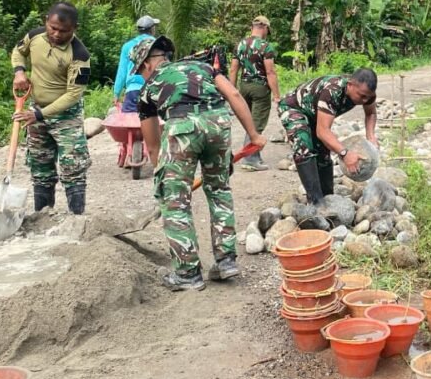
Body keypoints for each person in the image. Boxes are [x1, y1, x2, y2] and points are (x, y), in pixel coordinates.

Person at [133, 35, 266, 291]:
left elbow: (152, 146)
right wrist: (254, 135)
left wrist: (164, 179)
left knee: (176, 202)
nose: (141, 76)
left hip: (181, 129)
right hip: (218, 125)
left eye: (140, 71)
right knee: (219, 192)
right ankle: (226, 262)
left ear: (147, 64)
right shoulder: (204, 68)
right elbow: (234, 94)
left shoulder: (148, 90)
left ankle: (187, 274)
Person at [11, 2, 91, 214]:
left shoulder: (79, 55)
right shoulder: (35, 36)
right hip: (35, 110)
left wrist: (39, 114)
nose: (56, 34)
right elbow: (18, 52)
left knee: (73, 166)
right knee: (40, 164)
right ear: (46, 21)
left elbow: (74, 95)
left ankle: (76, 219)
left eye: (63, 31)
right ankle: (42, 217)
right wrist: (19, 72)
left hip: (66, 117)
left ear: (75, 28)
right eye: (52, 28)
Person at [277, 69, 378, 204]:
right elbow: (322, 131)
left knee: (323, 152)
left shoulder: (367, 94)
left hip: (315, 113)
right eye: (362, 96)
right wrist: (345, 153)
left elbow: (371, 113)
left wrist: (371, 137)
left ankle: (327, 197)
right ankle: (316, 201)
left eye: (368, 97)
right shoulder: (332, 91)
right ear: (350, 85)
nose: (365, 100)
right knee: (304, 145)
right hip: (294, 108)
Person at [228, 15, 280, 172]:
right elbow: (270, 72)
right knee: (257, 123)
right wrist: (276, 95)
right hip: (260, 88)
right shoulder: (265, 46)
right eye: (267, 30)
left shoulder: (241, 44)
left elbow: (233, 69)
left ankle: (250, 155)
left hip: (244, 87)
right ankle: (251, 158)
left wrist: (232, 90)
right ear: (264, 27)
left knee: (249, 122)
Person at [113, 16, 160, 112]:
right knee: (154, 125)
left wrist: (116, 93)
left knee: (130, 124)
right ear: (152, 29)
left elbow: (122, 72)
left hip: (133, 91)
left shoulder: (128, 46)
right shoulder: (158, 44)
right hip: (154, 91)